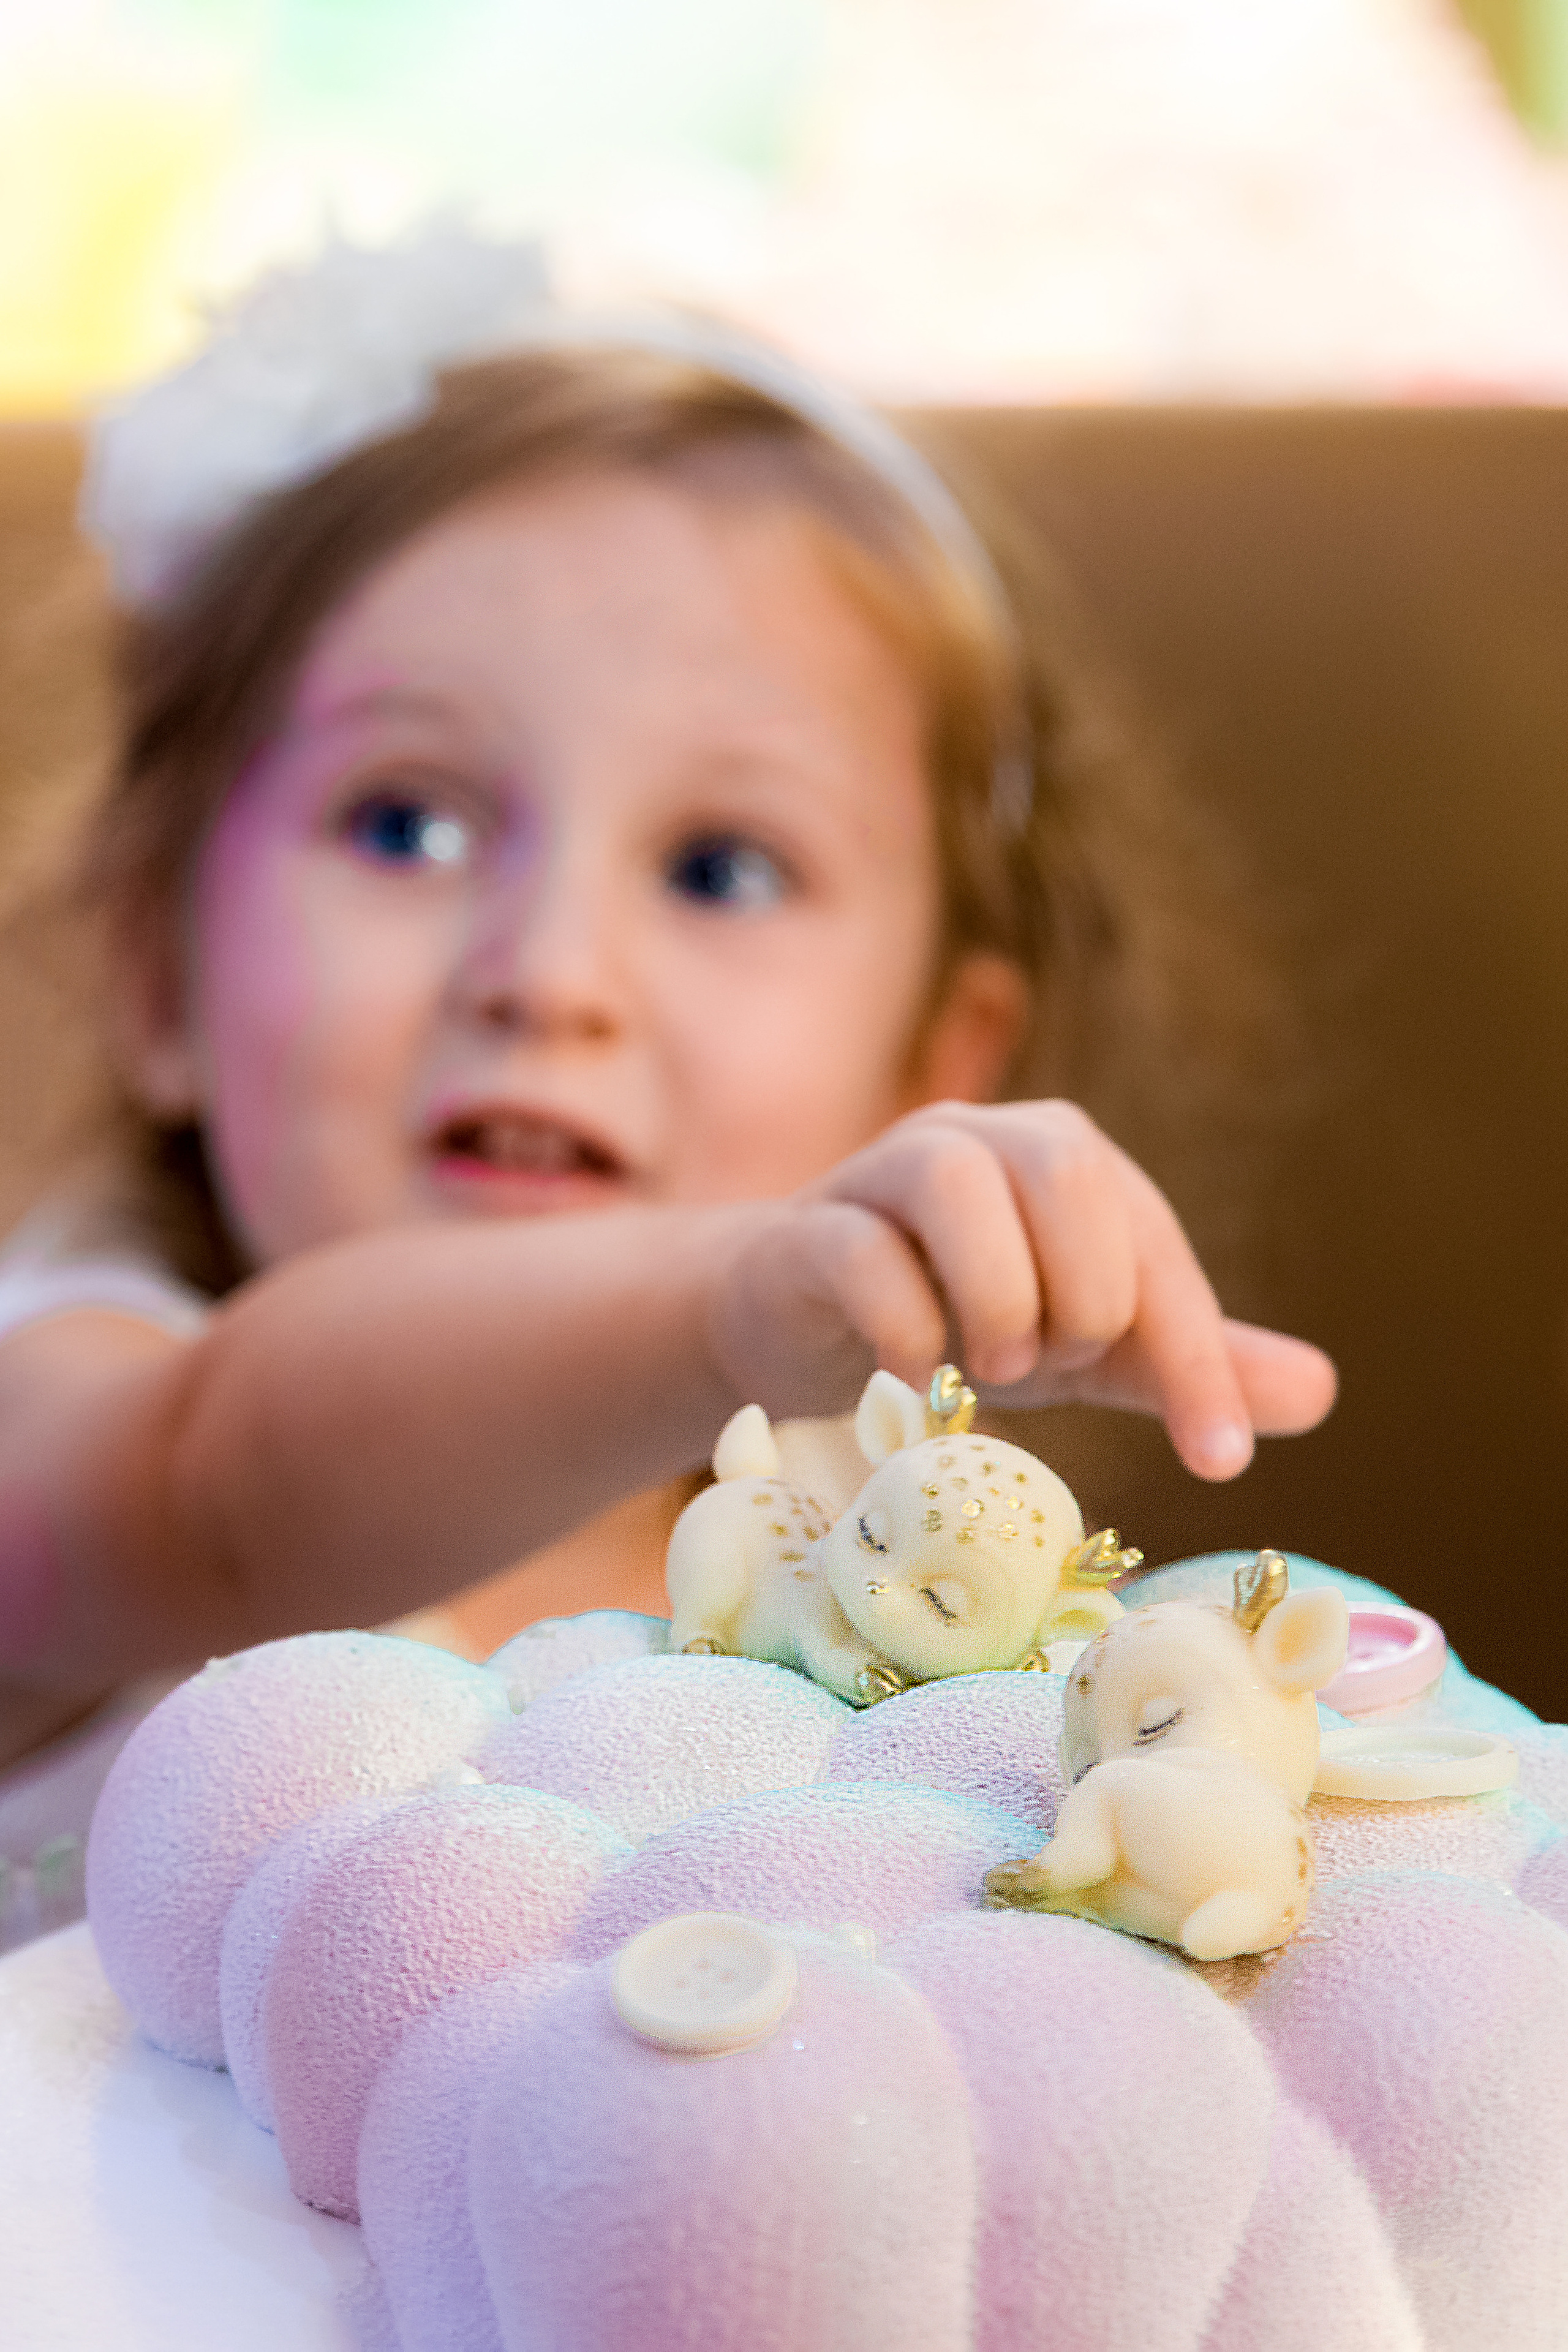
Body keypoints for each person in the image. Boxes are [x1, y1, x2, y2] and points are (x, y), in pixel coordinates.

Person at [0, 231, 1333, 1808]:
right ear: (156, 967)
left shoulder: (885, 1589)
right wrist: (723, 1308)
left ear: (932, 1070)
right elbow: (220, 1496)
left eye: (720, 869)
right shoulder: (80, 1405)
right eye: (406, 827)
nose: (549, 970)